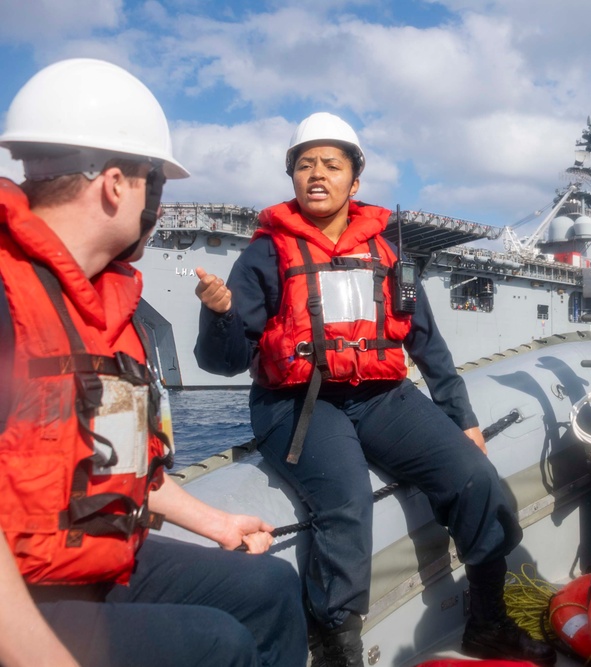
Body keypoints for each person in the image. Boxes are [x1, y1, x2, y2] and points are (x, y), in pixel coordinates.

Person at [193, 112, 556, 667]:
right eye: (304, 164)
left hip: (381, 397)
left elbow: (426, 344)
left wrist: (461, 416)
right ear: (291, 178)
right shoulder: (266, 255)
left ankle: (488, 622)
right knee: (345, 502)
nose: (317, 174)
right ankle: (340, 650)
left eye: (331, 165)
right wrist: (218, 315)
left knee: (475, 478)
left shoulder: (386, 255)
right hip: (297, 403)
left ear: (354, 181)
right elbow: (223, 363)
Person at [0, 58, 308, 667]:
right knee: (220, 647)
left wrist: (217, 523)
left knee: (270, 590)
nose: (159, 206)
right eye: (155, 185)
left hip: (82, 559)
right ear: (116, 184)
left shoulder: (100, 306)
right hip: (23, 591)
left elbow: (108, 460)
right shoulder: (10, 301)